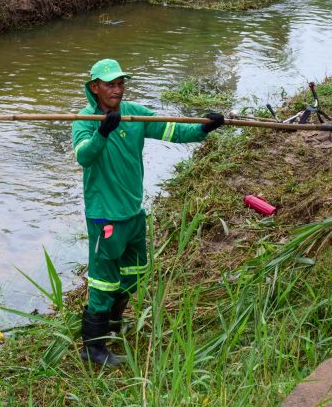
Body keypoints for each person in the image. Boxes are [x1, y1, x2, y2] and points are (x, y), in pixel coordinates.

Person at [72, 58, 224, 366]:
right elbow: (84, 158)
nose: (117, 89)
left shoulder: (135, 114)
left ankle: (112, 324)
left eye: (120, 83)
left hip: (132, 211)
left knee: (133, 273)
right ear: (95, 88)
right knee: (103, 280)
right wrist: (102, 132)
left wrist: (205, 128)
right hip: (105, 214)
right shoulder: (84, 119)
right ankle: (93, 346)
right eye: (110, 84)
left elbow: (173, 131)